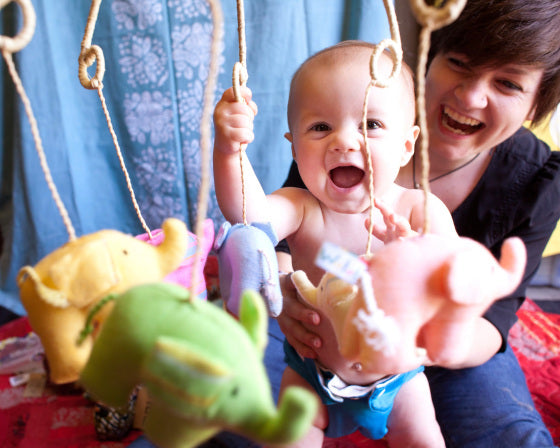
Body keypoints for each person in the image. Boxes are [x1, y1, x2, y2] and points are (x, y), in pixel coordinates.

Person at [277, 0, 560, 446]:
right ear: (428, 55)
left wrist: (422, 344)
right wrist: (282, 294)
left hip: (449, 346)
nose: (470, 97)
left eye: (507, 83)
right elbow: (283, 229)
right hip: (321, 335)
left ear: (536, 103)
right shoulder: (344, 125)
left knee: (509, 436)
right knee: (236, 414)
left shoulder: (539, 181)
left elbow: (495, 321)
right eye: (459, 64)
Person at [214, 40, 459, 446]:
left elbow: (452, 275)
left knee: (422, 437)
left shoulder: (418, 209)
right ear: (294, 146)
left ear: (406, 145)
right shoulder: (302, 207)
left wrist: (416, 251)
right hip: (312, 369)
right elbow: (248, 214)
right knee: (291, 436)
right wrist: (230, 151)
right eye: (320, 127)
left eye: (370, 124)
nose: (344, 141)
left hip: (398, 378)